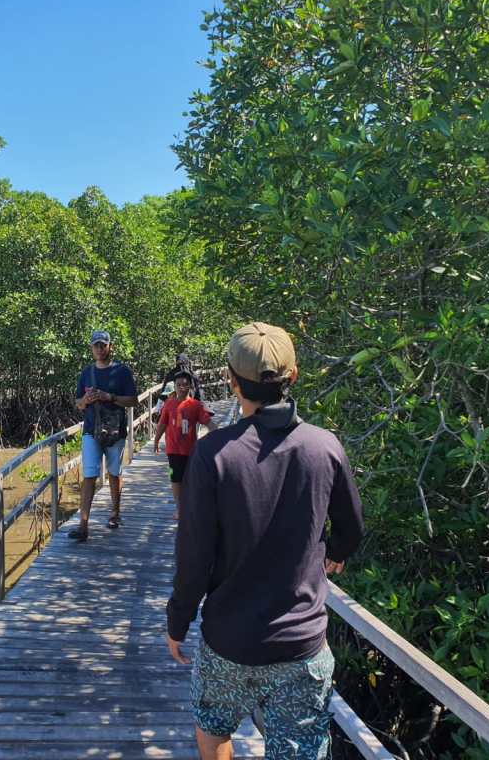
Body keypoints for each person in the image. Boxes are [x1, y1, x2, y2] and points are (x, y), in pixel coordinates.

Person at [166, 322, 365, 760]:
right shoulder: (324, 447)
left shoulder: (214, 454)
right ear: (293, 376)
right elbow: (351, 529)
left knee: (214, 726)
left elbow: (194, 556)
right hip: (301, 645)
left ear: (232, 381)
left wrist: (177, 621)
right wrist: (336, 554)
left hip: (228, 641)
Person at [70, 330, 139, 542]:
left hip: (115, 431)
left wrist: (110, 397)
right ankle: (83, 525)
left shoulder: (122, 372)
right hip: (91, 431)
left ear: (110, 347)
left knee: (114, 473)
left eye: (103, 345)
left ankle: (115, 513)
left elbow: (134, 401)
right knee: (89, 475)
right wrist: (87, 400)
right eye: (96, 346)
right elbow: (78, 403)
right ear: (91, 349)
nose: (99, 349)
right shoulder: (86, 373)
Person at [153, 371, 215, 519]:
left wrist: (220, 435)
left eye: (185, 384)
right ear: (174, 386)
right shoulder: (169, 404)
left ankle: (191, 505)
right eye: (178, 385)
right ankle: (179, 508)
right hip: (173, 449)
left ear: (190, 386)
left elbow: (208, 422)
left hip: (190, 449)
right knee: (175, 478)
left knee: (191, 479)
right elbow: (162, 423)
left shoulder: (196, 405)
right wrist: (156, 441)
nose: (182, 387)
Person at [154, 353, 203, 421]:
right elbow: (198, 393)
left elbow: (164, 392)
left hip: (175, 407)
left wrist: (159, 408)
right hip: (187, 406)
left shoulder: (171, 373)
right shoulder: (192, 374)